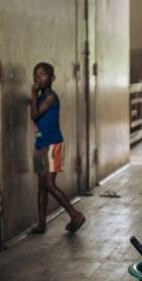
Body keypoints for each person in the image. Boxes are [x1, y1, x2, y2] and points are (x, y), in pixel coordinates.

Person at [29, 62, 85, 234]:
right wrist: (34, 97)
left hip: (53, 144)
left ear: (52, 78)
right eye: (36, 75)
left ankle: (75, 215)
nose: (38, 78)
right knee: (41, 186)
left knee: (49, 183)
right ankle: (41, 224)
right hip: (40, 145)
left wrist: (32, 94)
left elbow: (34, 115)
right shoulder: (39, 98)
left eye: (43, 75)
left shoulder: (51, 97)